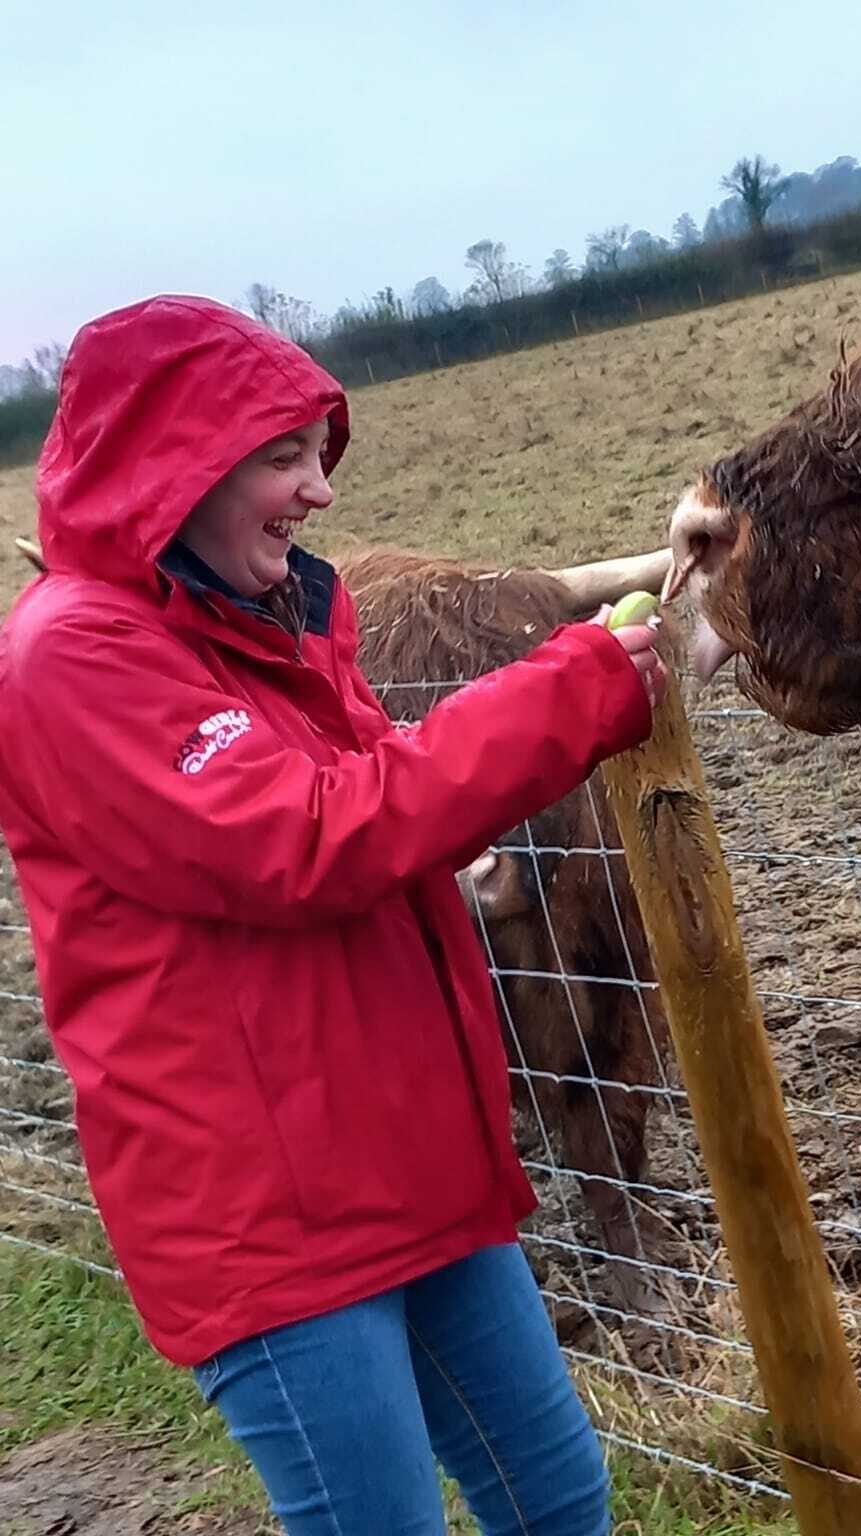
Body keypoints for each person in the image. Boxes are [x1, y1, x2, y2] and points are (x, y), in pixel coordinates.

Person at [0, 294, 668, 1534]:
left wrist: (623, 668)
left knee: (557, 1499)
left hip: (414, 1165)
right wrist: (582, 686)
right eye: (281, 458)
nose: (319, 495)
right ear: (174, 468)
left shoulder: (275, 627)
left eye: (319, 456)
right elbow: (313, 836)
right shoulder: (75, 662)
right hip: (269, 1219)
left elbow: (395, 790)